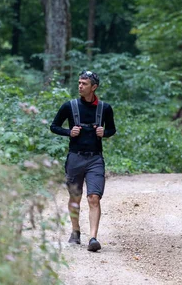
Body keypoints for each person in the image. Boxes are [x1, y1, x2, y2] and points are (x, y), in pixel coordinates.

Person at [50, 70, 116, 252]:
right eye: (79, 83)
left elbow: (112, 130)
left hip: (95, 158)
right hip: (75, 157)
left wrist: (105, 132)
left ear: (94, 87)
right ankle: (75, 231)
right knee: (75, 197)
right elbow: (54, 126)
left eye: (84, 84)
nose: (80, 86)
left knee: (94, 197)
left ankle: (93, 238)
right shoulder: (69, 106)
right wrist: (68, 132)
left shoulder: (105, 108)